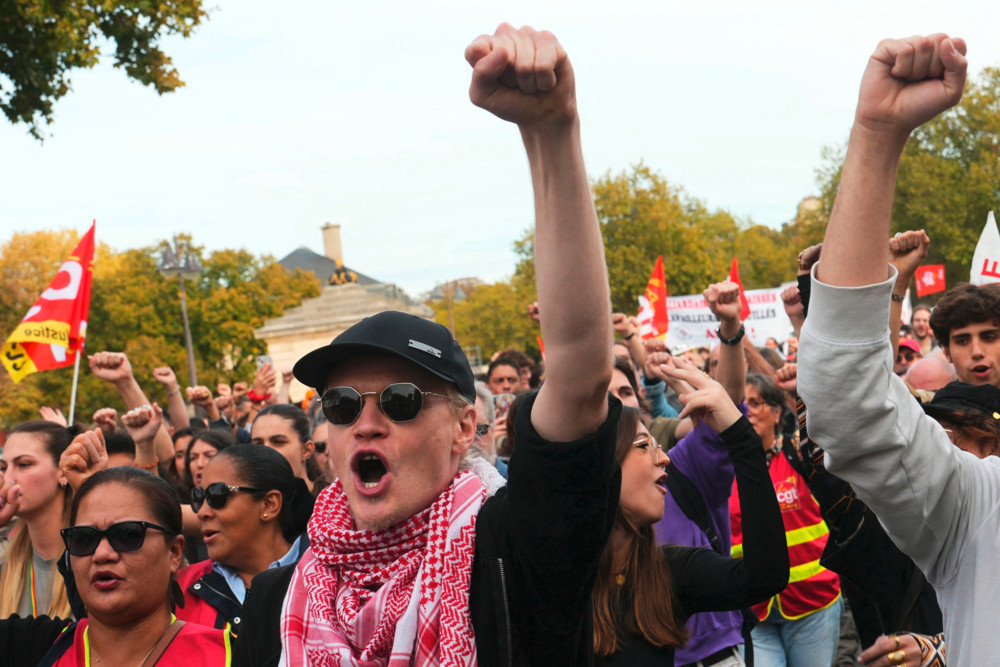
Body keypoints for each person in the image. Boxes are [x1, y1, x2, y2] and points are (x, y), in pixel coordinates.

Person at [236, 24, 621, 666]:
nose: (365, 424)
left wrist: (552, 133)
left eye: (402, 400)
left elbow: (580, 377)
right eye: (340, 406)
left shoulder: (511, 549)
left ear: (464, 425)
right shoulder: (277, 598)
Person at [796, 32, 999, 664]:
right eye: (963, 339)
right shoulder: (978, 506)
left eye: (988, 336)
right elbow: (852, 400)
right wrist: (878, 136)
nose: (978, 352)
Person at [592, 372, 787, 665]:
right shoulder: (560, 574)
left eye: (659, 446)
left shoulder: (667, 571)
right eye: (644, 446)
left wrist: (743, 440)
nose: (663, 458)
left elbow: (763, 577)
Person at [10, 461, 232, 665]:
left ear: (174, 552)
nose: (102, 554)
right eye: (84, 538)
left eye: (127, 535)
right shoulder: (35, 647)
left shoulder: (232, 655)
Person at [731, 374, 842, 666]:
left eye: (755, 403)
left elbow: (830, 432)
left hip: (814, 604)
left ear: (777, 412)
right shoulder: (719, 466)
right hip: (752, 610)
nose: (747, 411)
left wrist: (803, 396)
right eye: (741, 404)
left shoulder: (797, 453)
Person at [176, 444, 313, 634]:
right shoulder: (180, 589)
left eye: (217, 495)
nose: (202, 513)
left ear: (269, 505)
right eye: (199, 497)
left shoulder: (329, 579)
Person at [0, 421, 74, 619]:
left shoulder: (92, 560)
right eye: (3, 467)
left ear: (63, 471)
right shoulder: (5, 561)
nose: (8, 479)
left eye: (24, 464)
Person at [928, 282, 1000, 387]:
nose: (977, 352)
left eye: (989, 338)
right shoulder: (925, 403)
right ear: (948, 353)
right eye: (962, 341)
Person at [251, 404, 328, 497]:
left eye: (278, 442)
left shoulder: (334, 504)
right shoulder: (247, 505)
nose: (265, 451)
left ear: (306, 450)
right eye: (258, 444)